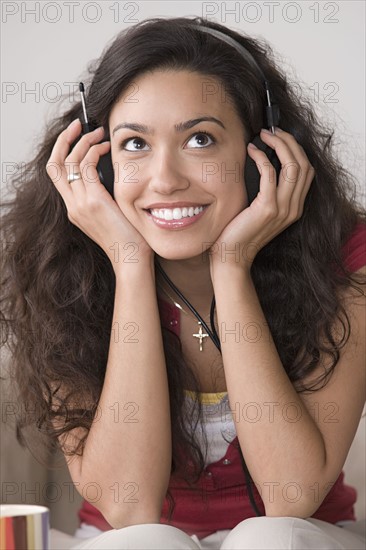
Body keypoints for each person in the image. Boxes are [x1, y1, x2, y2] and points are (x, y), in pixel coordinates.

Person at [1, 16, 365, 550]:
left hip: (303, 537)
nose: (166, 179)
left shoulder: (345, 258)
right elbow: (130, 507)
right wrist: (129, 263)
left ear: (259, 151)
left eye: (200, 139)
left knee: (269, 539)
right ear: (97, 166)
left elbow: (291, 497)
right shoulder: (60, 266)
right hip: (131, 541)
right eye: (133, 145)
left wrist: (232, 266)